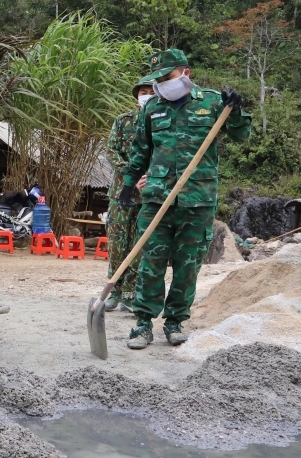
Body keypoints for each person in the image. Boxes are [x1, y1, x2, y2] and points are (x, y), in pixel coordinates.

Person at [118, 49, 250, 350]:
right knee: (150, 262)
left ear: (185, 73)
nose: (163, 83)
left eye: (168, 76)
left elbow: (242, 134)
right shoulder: (152, 108)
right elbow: (140, 150)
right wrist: (128, 184)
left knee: (187, 265)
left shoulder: (213, 102)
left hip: (197, 200)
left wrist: (237, 109)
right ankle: (142, 324)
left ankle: (175, 322)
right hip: (156, 198)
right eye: (158, 79)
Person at [104, 74, 156, 313]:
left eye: (151, 92)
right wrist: (132, 177)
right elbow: (112, 152)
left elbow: (165, 154)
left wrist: (150, 178)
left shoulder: (162, 122)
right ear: (137, 96)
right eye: (143, 92)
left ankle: (130, 293)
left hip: (150, 193)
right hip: (121, 193)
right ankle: (114, 290)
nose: (147, 96)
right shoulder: (123, 121)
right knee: (117, 243)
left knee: (139, 244)